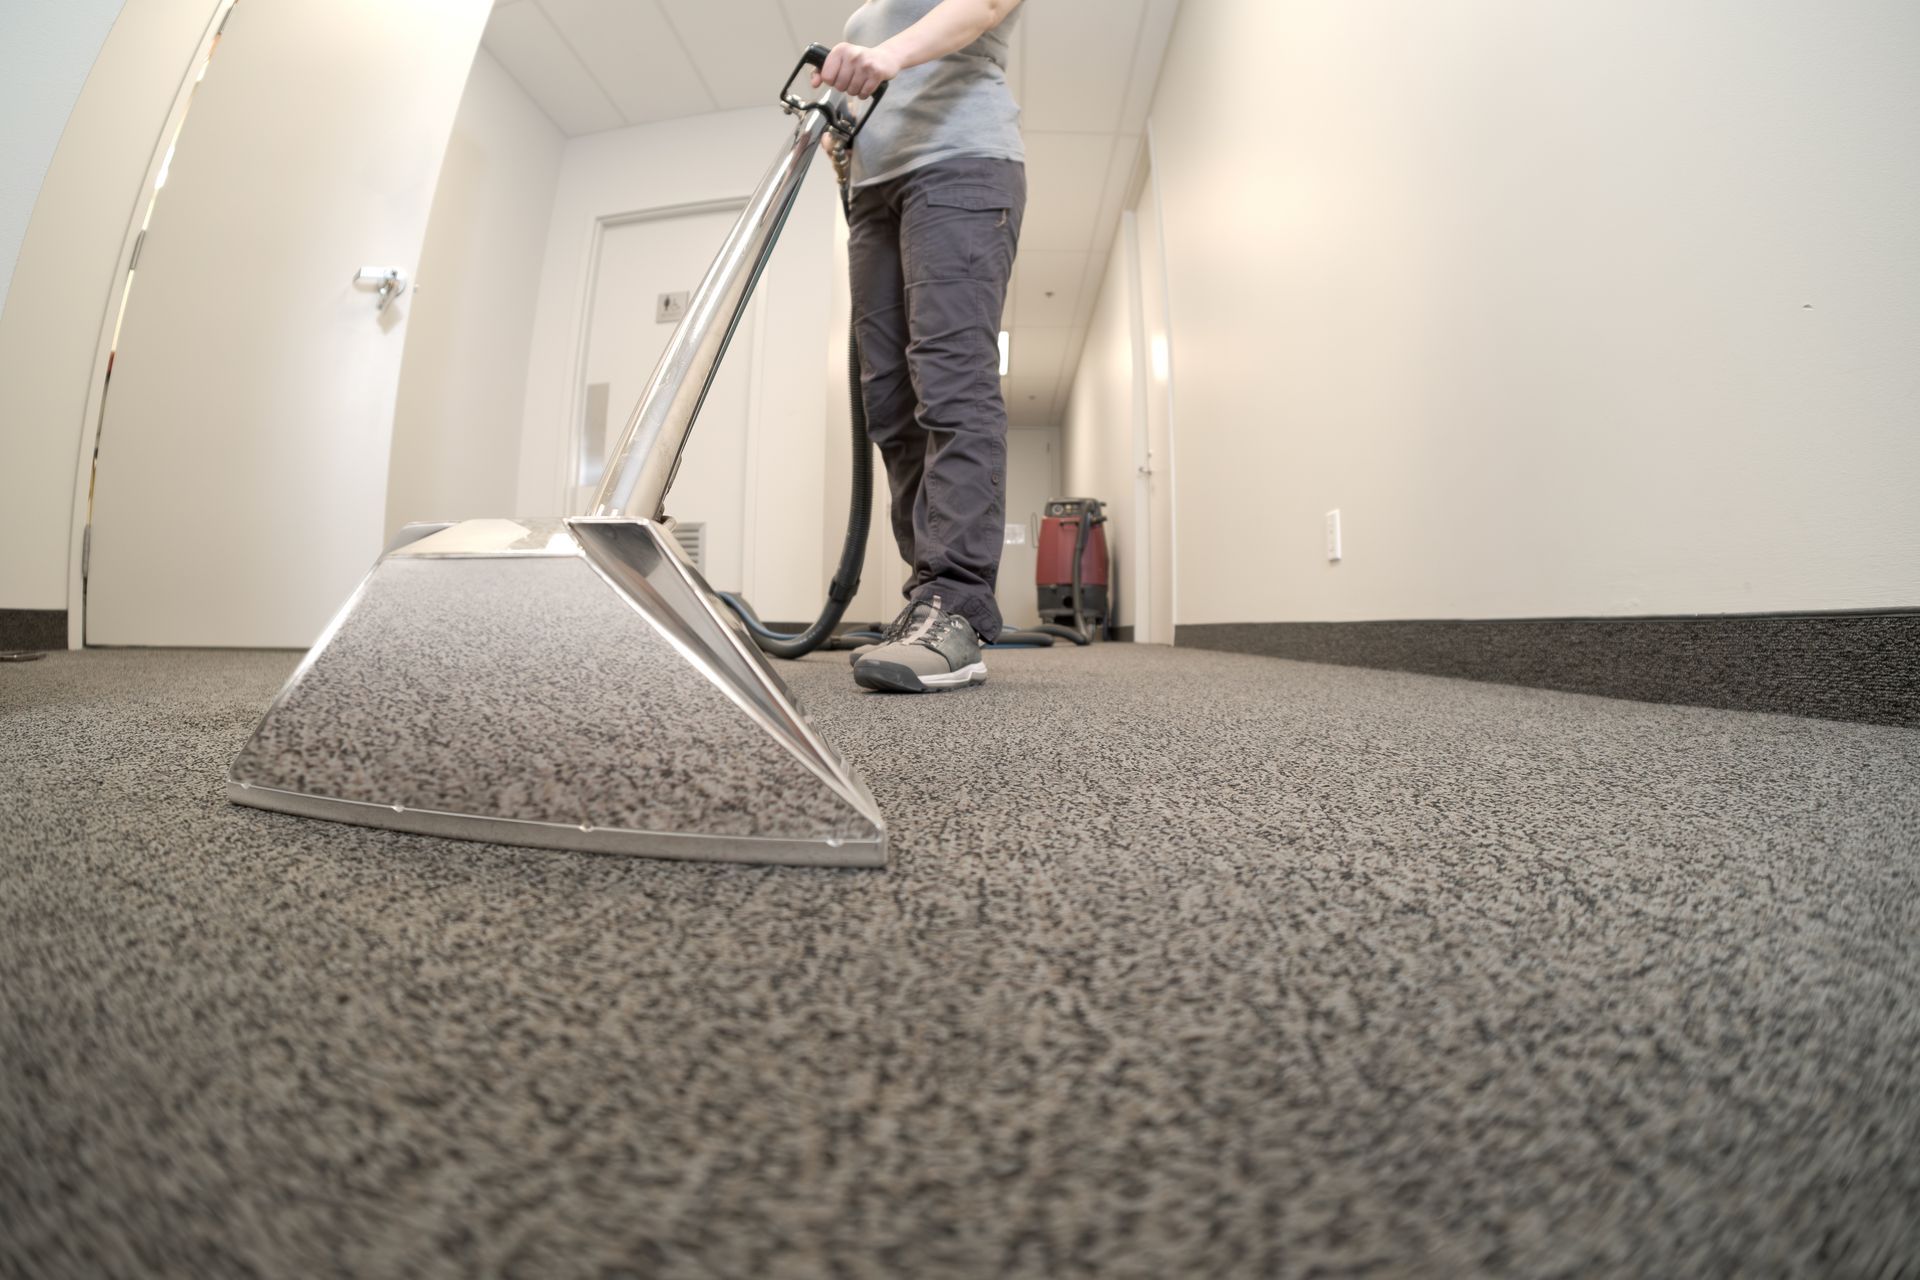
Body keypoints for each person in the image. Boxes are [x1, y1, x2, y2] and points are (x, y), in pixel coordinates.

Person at [811, 0, 1026, 693]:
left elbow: (987, 7)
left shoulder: (892, 32)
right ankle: (927, 598)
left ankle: (956, 602)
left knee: (950, 378)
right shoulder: (859, 16)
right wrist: (843, 140)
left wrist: (888, 58)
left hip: (962, 164)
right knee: (890, 401)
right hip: (873, 194)